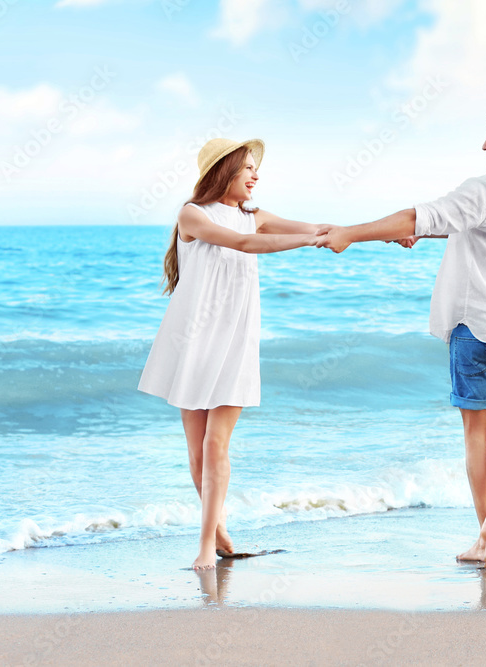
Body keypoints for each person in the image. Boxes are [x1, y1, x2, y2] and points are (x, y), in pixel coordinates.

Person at [319, 106, 486, 568]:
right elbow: (482, 227)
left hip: (476, 324)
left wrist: (351, 233)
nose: (484, 147)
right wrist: (427, 233)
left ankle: (484, 537)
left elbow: (420, 215)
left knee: (476, 435)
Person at [138, 138, 324, 570]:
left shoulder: (254, 216)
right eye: (248, 169)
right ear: (224, 171)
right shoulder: (193, 214)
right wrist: (301, 242)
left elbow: (314, 228)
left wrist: (375, 237)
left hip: (236, 339)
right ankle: (217, 532)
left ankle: (207, 542)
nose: (256, 176)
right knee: (199, 448)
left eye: (256, 169)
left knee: (218, 443)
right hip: (193, 339)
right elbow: (242, 245)